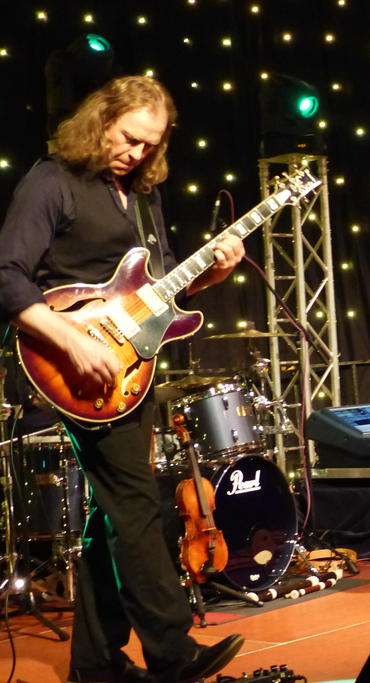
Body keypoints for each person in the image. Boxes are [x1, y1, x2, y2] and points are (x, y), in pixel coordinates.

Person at [0, 76, 245, 682]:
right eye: (128, 138)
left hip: (129, 372)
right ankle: (172, 654)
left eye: (148, 145)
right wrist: (70, 340)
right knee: (136, 505)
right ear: (101, 120)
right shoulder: (52, 180)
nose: (136, 153)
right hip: (73, 368)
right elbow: (6, 275)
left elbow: (159, 288)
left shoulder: (141, 196)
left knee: (113, 512)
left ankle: (96, 663)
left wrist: (212, 276)